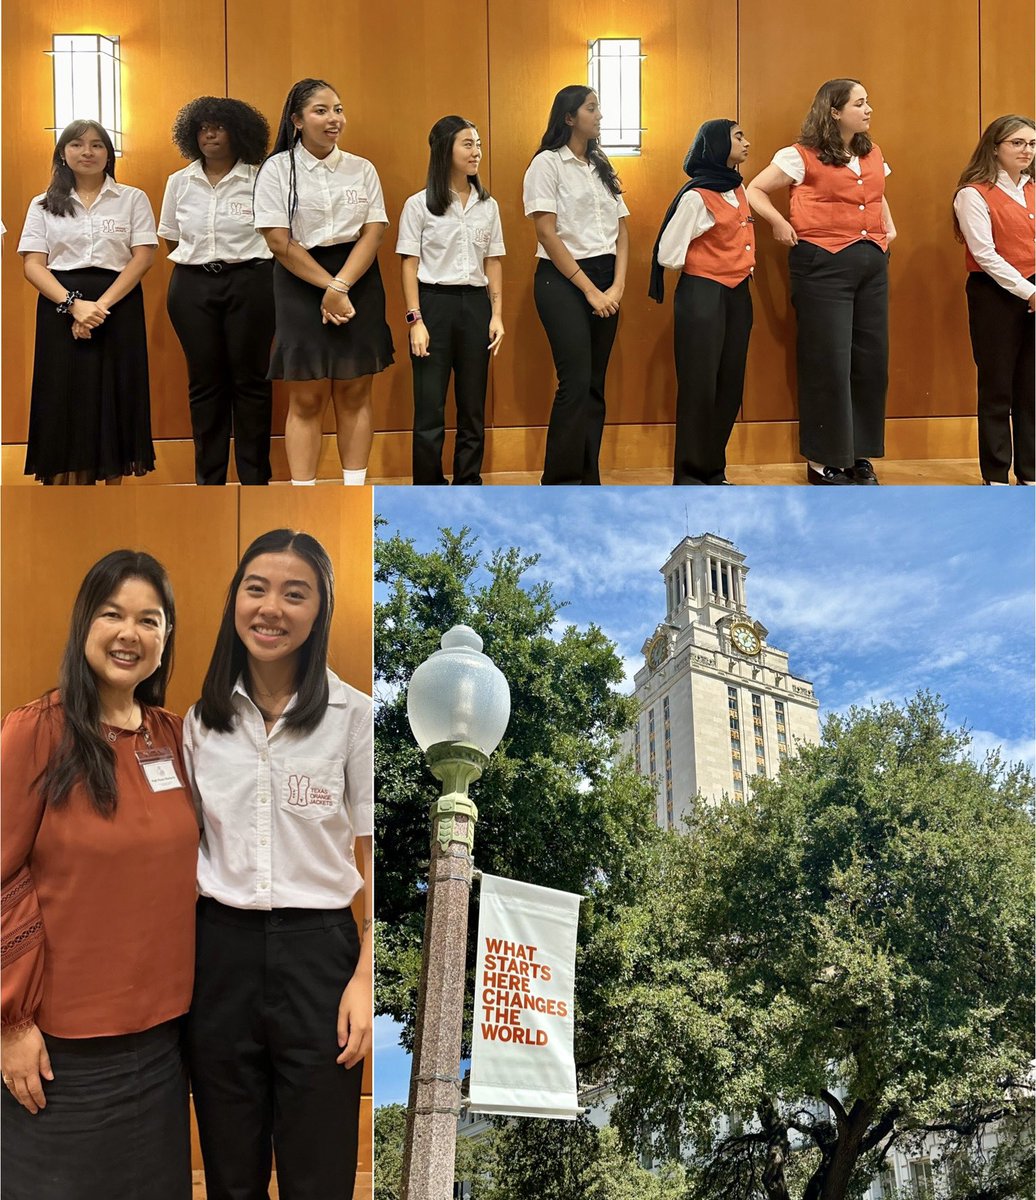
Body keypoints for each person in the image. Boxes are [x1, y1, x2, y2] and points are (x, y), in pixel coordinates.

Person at [0, 551, 197, 1200]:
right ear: (85, 623)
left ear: (166, 640)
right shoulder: (35, 733)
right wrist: (11, 1025)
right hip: (59, 1057)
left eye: (149, 619)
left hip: (164, 1050)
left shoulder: (179, 740)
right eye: (112, 614)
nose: (129, 633)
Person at [184, 529, 373, 1199]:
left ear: (319, 610)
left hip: (320, 957)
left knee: (318, 1175)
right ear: (235, 599)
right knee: (229, 1173)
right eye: (256, 589)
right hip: (220, 953)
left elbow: (375, 861)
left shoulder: (355, 718)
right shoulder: (199, 723)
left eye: (296, 594)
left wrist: (364, 979)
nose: (272, 609)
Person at [746, 79, 896, 485]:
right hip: (822, 265)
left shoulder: (871, 151)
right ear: (834, 110)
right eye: (860, 103)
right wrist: (778, 222)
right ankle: (824, 458)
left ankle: (858, 453)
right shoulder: (799, 155)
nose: (868, 110)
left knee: (869, 361)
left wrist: (888, 232)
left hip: (871, 263)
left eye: (868, 102)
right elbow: (755, 190)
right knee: (827, 361)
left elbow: (879, 197)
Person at [253, 78, 394, 486]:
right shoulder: (277, 169)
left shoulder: (361, 168)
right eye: (321, 110)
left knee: (354, 392)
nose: (333, 119)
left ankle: (354, 490)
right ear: (296, 120)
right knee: (307, 396)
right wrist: (328, 287)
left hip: (357, 275)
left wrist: (341, 286)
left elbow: (374, 231)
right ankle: (303, 494)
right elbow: (279, 241)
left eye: (338, 109)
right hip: (300, 279)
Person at [18, 121, 158, 484]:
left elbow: (142, 257)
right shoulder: (43, 204)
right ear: (63, 153)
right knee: (64, 395)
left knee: (116, 393)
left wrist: (99, 307)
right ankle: (65, 493)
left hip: (119, 303)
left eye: (97, 145)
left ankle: (113, 486)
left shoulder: (132, 198)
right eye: (78, 145)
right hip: (59, 304)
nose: (88, 152)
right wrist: (74, 306)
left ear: (108, 154)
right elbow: (33, 265)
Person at [160, 96, 275, 485]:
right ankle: (208, 481)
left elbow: (276, 235)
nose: (209, 133)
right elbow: (170, 240)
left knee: (251, 381)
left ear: (238, 131)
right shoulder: (179, 182)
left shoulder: (262, 178)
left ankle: (255, 479)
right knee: (205, 383)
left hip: (252, 282)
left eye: (219, 126)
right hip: (192, 287)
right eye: (203, 127)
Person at [523, 85, 630, 485]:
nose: (600, 114)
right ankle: (560, 482)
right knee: (574, 382)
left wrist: (616, 287)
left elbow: (622, 231)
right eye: (592, 107)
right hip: (562, 280)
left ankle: (589, 478)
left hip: (606, 279)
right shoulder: (547, 165)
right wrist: (590, 290)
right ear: (569, 117)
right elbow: (548, 234)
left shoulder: (601, 165)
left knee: (594, 385)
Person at [397, 116, 505, 485]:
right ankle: (428, 485)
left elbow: (493, 261)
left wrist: (497, 315)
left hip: (476, 306)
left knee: (473, 407)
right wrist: (416, 320)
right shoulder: (418, 205)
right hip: (433, 304)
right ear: (445, 149)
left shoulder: (488, 206)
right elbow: (409, 265)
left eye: (478, 144)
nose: (476, 152)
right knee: (429, 409)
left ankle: (468, 484)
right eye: (467, 144)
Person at [650, 119, 755, 485]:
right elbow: (668, 254)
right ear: (716, 144)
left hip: (738, 294)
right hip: (703, 295)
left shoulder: (737, 188)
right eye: (738, 136)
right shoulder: (697, 196)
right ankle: (691, 477)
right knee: (699, 387)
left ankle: (714, 470)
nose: (746, 142)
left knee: (730, 386)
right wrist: (709, 264)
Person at [952, 114, 1035, 485]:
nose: (1026, 150)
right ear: (995, 147)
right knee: (998, 387)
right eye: (1017, 143)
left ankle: (1031, 473)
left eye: (1031, 144)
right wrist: (1029, 291)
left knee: (1031, 389)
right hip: (996, 296)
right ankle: (997, 475)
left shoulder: (1033, 188)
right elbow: (985, 254)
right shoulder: (973, 193)